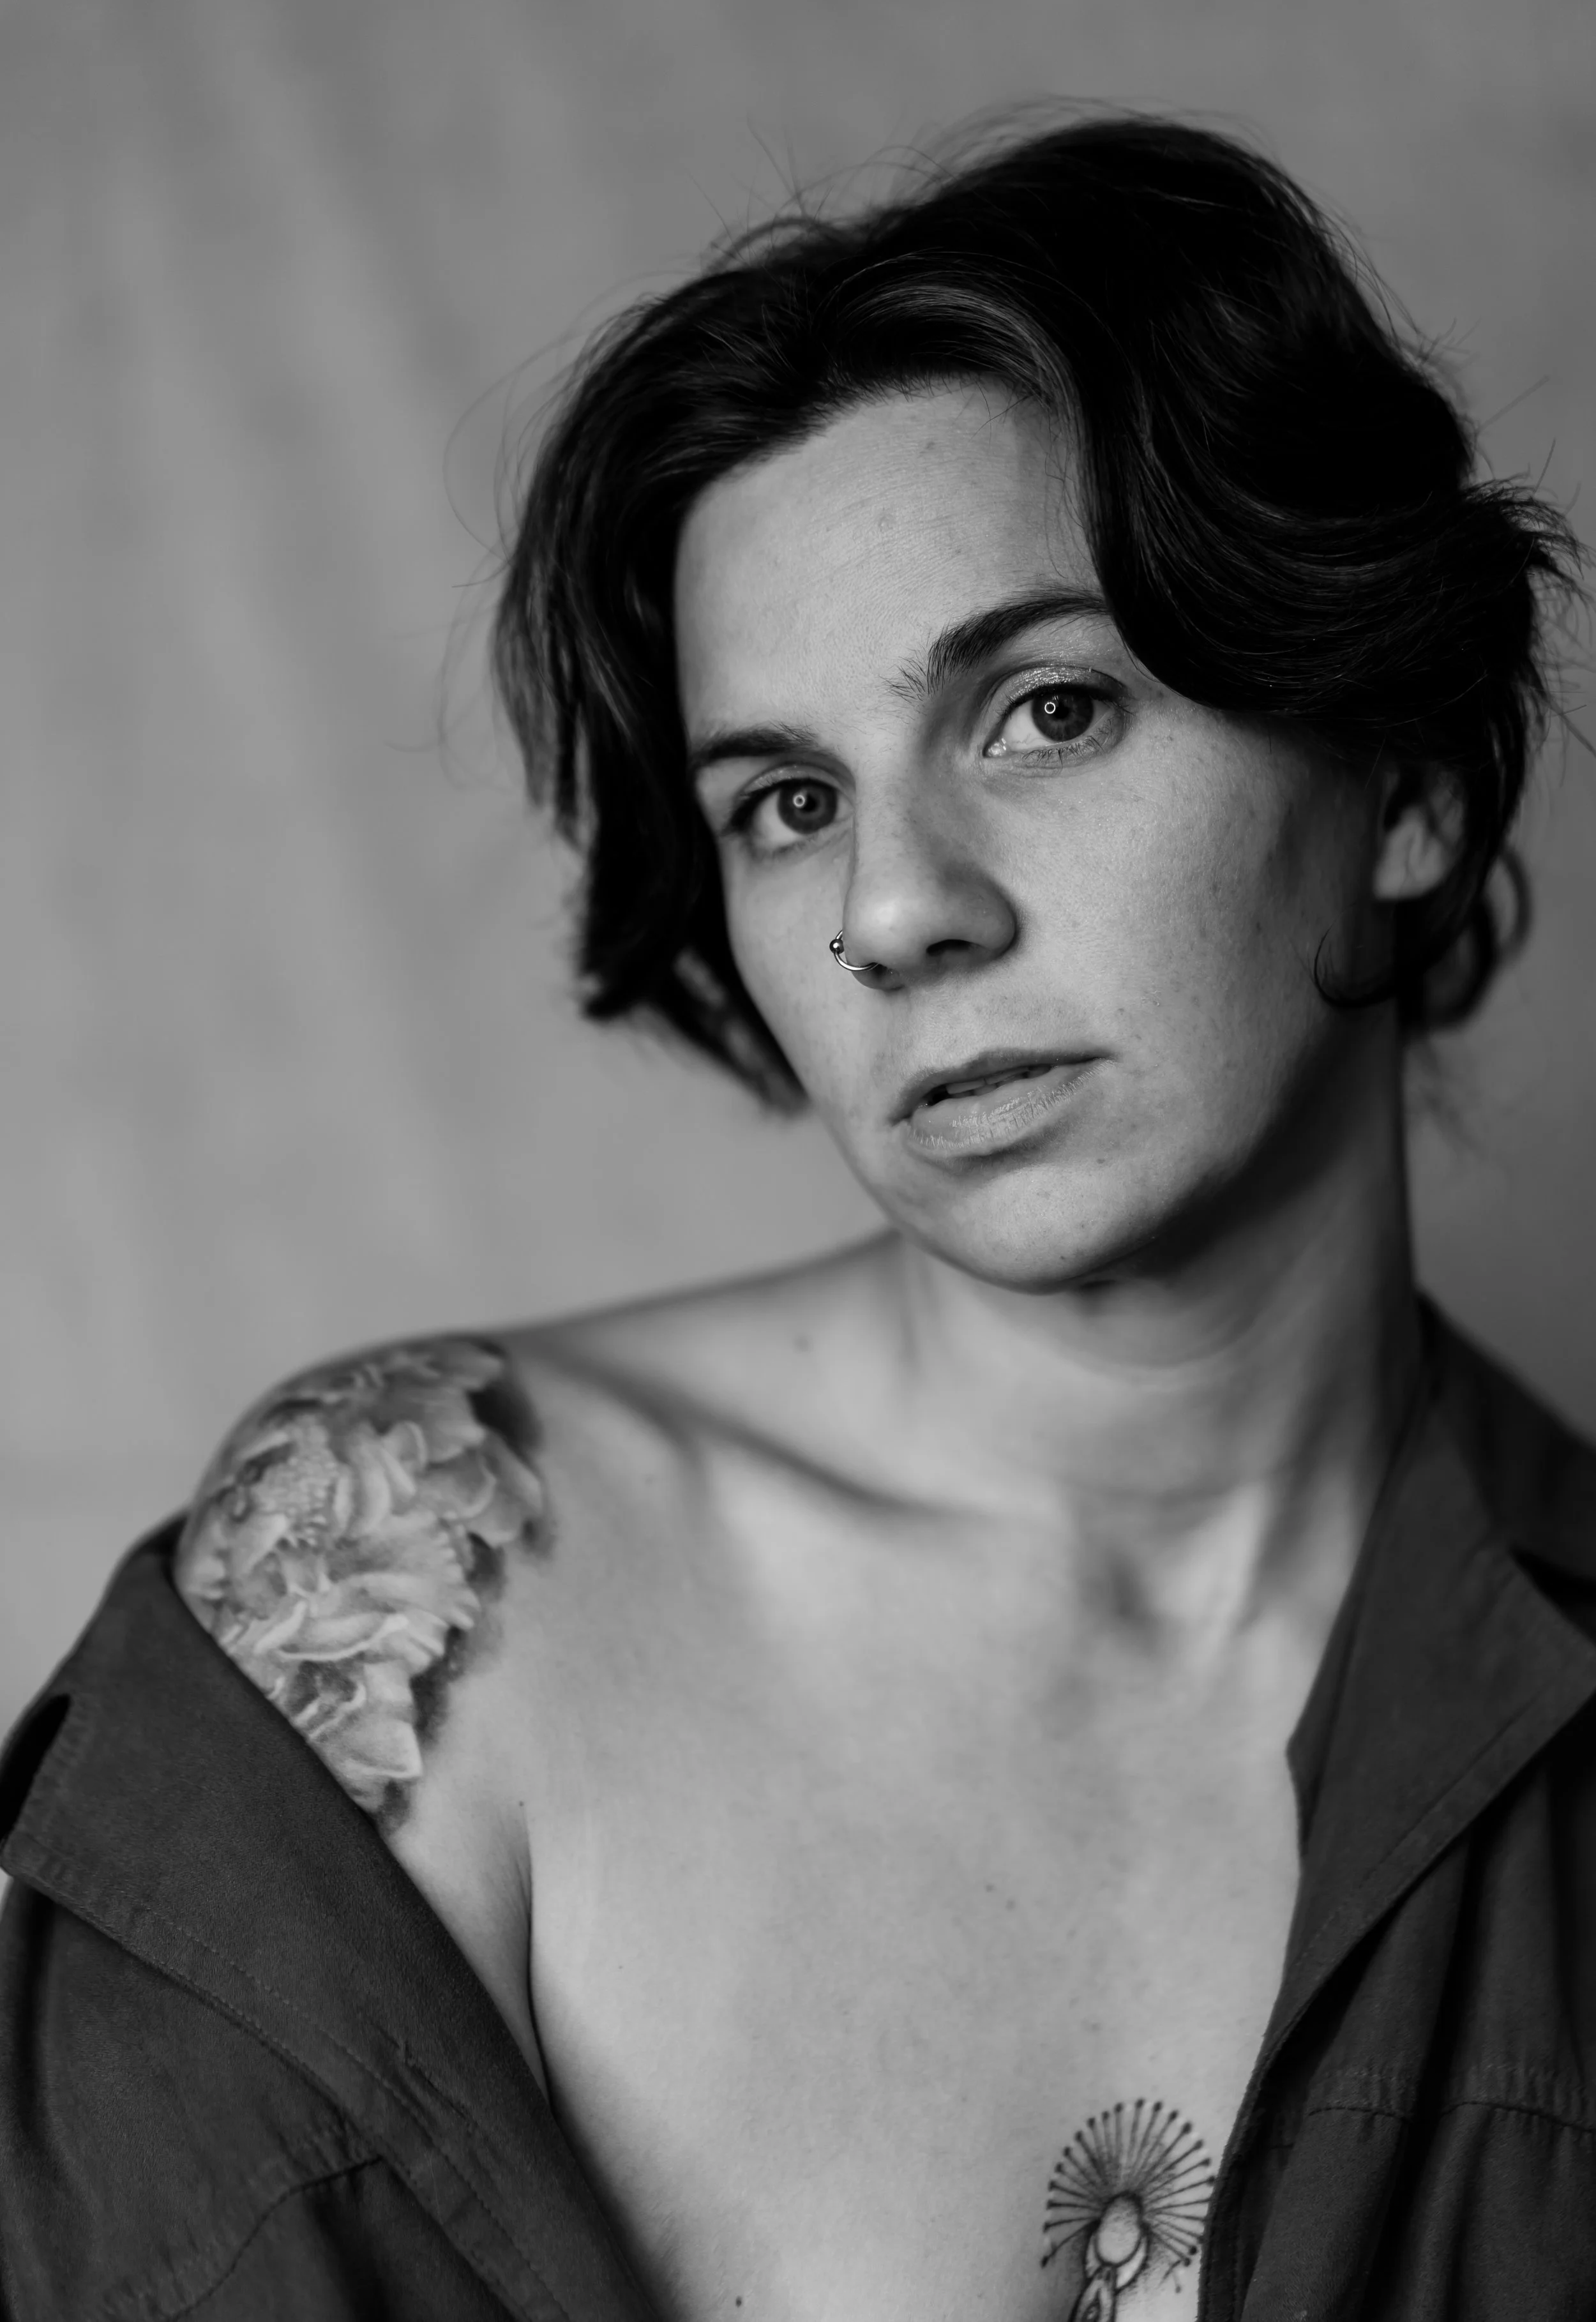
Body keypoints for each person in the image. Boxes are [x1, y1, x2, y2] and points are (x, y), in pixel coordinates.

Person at [1, 112, 1590, 2322]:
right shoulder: (416, 1588)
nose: (891, 907)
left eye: (1045, 707)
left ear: (1403, 778)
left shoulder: (1561, 1729)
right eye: (785, 800)